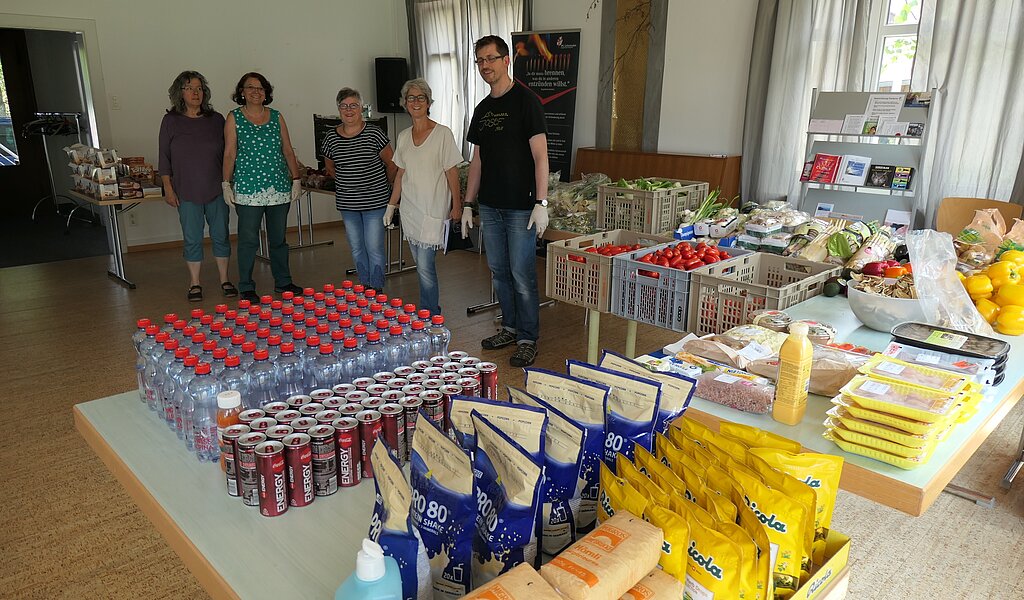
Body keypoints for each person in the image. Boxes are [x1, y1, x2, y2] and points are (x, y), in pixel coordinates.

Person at [462, 35, 549, 368]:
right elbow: (477, 161)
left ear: (506, 60)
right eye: (480, 61)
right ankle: (510, 327)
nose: (485, 66)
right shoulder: (483, 109)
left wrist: (541, 201)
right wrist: (469, 203)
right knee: (499, 272)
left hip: (520, 207)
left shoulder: (527, 102)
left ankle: (527, 337)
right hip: (491, 206)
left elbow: (541, 156)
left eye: (491, 59)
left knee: (522, 274)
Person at [384, 78, 463, 315]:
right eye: (411, 98)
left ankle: (430, 314)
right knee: (420, 266)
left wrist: (457, 205)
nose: (416, 102)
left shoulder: (442, 134)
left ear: (428, 102)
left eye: (420, 97)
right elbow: (400, 174)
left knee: (426, 267)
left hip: (433, 210)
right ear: (405, 103)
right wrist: (391, 205)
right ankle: (428, 311)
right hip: (410, 210)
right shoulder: (404, 136)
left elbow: (452, 172)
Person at [222, 72, 303, 302]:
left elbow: (287, 150)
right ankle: (246, 285)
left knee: (278, 238)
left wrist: (295, 178)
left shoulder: (276, 116)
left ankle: (283, 281)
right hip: (248, 189)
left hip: (277, 186)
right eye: (250, 88)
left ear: (266, 93)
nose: (256, 92)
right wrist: (226, 182)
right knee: (248, 239)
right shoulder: (234, 117)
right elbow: (229, 152)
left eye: (260, 88)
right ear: (242, 92)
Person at [158, 70, 235, 302]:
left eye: (199, 88)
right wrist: (168, 188)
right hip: (186, 190)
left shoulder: (217, 120)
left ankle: (224, 279)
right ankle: (195, 283)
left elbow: (229, 153)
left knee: (221, 234)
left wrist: (230, 184)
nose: (195, 93)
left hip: (216, 189)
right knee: (192, 237)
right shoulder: (170, 120)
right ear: (179, 92)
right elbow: (164, 157)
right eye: (190, 88)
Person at [321, 88, 395, 291]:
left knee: (374, 248)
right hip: (348, 205)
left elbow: (391, 164)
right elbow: (330, 167)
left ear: (361, 108)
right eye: (344, 106)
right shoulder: (330, 137)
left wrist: (385, 187)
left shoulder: (374, 133)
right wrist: (349, 183)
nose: (349, 110)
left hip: (375, 203)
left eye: (353, 105)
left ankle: (377, 289)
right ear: (338, 109)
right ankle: (364, 286)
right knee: (356, 248)